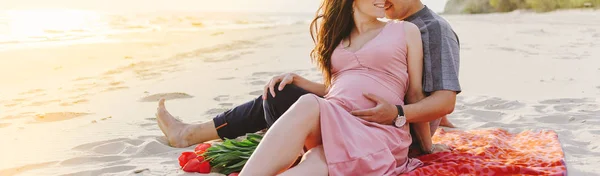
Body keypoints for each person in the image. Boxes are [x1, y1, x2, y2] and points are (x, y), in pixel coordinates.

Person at [155, 0, 460, 156]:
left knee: (287, 101)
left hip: (386, 128)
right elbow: (363, 84)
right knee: (284, 91)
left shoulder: (431, 29)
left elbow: (441, 99)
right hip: (360, 112)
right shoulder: (392, 27)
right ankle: (195, 133)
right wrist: (305, 82)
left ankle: (196, 134)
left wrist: (423, 137)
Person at [238, 0, 427, 174]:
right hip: (336, 118)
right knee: (308, 103)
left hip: (377, 131)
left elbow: (415, 93)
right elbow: (336, 89)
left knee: (316, 160)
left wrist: (428, 146)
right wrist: (301, 82)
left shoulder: (406, 30)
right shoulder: (337, 37)